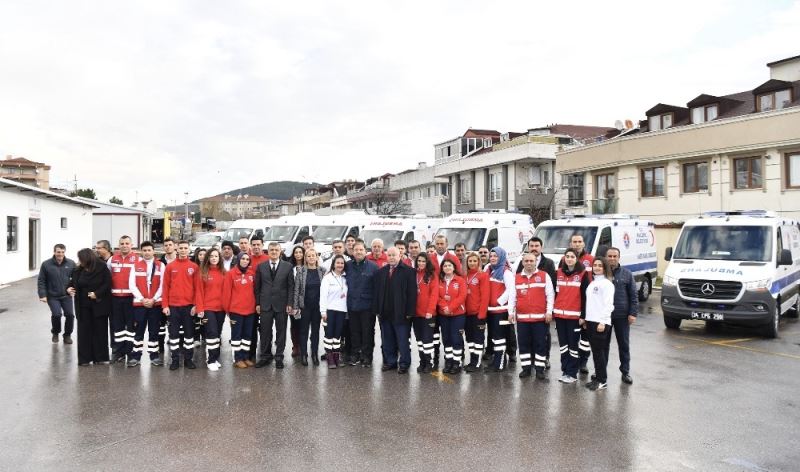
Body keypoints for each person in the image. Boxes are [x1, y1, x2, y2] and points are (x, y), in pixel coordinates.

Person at [515, 237, 558, 369]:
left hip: (541, 310)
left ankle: (545, 359)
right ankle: (530, 362)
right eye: (531, 245)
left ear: (541, 247)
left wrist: (549, 310)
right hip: (525, 312)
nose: (534, 248)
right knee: (526, 339)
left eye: (537, 245)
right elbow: (517, 282)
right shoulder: (521, 263)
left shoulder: (548, 263)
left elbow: (552, 287)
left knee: (543, 338)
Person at [373, 247, 417, 374]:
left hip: (401, 313)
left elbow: (412, 294)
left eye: (394, 255)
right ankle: (391, 362)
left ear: (400, 255)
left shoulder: (409, 272)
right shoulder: (381, 272)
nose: (391, 257)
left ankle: (404, 363)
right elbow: (377, 292)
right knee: (387, 339)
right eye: (389, 255)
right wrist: (377, 309)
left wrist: (410, 312)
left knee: (402, 340)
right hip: (385, 313)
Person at [67, 248, 112, 366]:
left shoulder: (102, 267)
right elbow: (71, 283)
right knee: (83, 333)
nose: (79, 261)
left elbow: (107, 283)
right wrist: (68, 289)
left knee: (100, 331)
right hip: (82, 306)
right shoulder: (78, 270)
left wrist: (97, 293)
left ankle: (101, 358)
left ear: (88, 258)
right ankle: (84, 359)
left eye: (81, 259)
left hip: (98, 304)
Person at [254, 242, 295, 369]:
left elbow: (290, 287)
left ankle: (279, 357)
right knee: (265, 332)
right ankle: (265, 356)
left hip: (281, 304)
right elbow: (257, 287)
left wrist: (289, 303)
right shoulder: (261, 266)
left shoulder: (288, 266)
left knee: (281, 331)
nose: (274, 252)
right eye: (271, 250)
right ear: (268, 251)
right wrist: (258, 303)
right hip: (265, 304)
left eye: (276, 250)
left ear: (280, 251)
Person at [553, 248, 591, 384]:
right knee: (563, 346)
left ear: (576, 259)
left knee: (572, 346)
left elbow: (586, 297)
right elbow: (555, 293)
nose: (569, 259)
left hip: (574, 317)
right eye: (567, 256)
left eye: (572, 257)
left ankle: (572, 373)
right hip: (559, 316)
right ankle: (565, 370)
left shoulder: (583, 274)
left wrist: (583, 315)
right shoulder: (558, 273)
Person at [162, 240, 201, 371]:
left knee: (189, 334)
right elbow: (165, 287)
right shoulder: (170, 266)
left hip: (189, 307)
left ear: (189, 250)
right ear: (177, 250)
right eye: (181, 248)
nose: (183, 250)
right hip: (173, 306)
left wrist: (196, 305)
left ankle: (188, 359)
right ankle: (175, 359)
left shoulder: (194, 267)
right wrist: (165, 305)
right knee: (173, 335)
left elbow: (197, 289)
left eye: (185, 248)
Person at [127, 241, 165, 367]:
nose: (147, 253)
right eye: (144, 250)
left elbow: (163, 285)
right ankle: (135, 357)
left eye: (149, 250)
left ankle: (154, 356)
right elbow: (132, 285)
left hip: (155, 304)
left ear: (153, 251)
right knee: (138, 331)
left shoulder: (160, 265)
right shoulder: (135, 265)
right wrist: (143, 299)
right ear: (141, 252)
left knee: (154, 331)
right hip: (140, 304)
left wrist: (153, 299)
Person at [604, 247, 638, 385]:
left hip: (622, 316)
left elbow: (633, 295)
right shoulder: (601, 273)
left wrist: (632, 313)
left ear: (619, 257)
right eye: (609, 256)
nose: (612, 258)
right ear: (606, 257)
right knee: (603, 345)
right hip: (604, 316)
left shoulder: (627, 274)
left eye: (615, 256)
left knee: (623, 345)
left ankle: (625, 372)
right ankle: (600, 371)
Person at [583, 257, 615, 391]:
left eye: (600, 266)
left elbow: (609, 305)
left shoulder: (607, 284)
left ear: (605, 268)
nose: (596, 267)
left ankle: (602, 381)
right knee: (595, 352)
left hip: (600, 323)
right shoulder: (593, 283)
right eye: (595, 265)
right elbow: (591, 304)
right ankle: (597, 378)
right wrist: (586, 319)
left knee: (599, 352)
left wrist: (602, 321)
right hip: (591, 321)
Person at [346, 240, 379, 367]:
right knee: (354, 332)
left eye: (361, 250)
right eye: (356, 250)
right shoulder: (347, 265)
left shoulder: (373, 267)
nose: (358, 252)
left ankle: (367, 356)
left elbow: (377, 289)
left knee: (367, 332)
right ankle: (355, 354)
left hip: (367, 306)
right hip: (352, 305)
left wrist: (375, 307)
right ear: (352, 252)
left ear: (366, 251)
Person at [108, 235, 140, 364]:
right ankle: (119, 352)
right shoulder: (112, 259)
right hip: (115, 299)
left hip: (131, 299)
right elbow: (108, 276)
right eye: (122, 243)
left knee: (131, 327)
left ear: (131, 245)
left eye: (127, 243)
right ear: (118, 245)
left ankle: (131, 352)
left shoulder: (138, 259)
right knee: (118, 326)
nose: (124, 245)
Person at [223, 253, 257, 369]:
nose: (245, 261)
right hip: (235, 311)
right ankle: (237, 359)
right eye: (243, 258)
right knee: (236, 335)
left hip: (250, 310)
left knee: (247, 335)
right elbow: (226, 293)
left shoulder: (252, 273)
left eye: (247, 259)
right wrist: (228, 311)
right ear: (238, 259)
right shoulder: (231, 274)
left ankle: (245, 357)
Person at [485, 247, 516, 372]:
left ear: (501, 257)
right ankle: (496, 361)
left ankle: (500, 363)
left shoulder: (506, 272)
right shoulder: (488, 270)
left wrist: (498, 301)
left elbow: (511, 290)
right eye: (491, 256)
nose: (492, 258)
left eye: (495, 256)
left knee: (500, 338)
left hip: (501, 311)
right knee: (493, 337)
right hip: (491, 310)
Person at [38, 244, 77, 344]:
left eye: (63, 252)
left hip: (66, 296)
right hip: (52, 296)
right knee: (56, 314)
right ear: (54, 252)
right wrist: (42, 295)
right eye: (58, 252)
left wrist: (72, 288)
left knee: (70, 315)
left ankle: (67, 335)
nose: (60, 254)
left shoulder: (71, 263)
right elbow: (41, 280)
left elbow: (77, 278)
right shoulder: (46, 264)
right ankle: (55, 332)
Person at [293, 248, 326, 366]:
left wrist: (325, 308)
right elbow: (297, 289)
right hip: (305, 306)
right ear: (305, 258)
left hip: (317, 307)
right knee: (303, 331)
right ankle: (303, 355)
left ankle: (314, 354)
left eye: (313, 255)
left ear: (317, 257)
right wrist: (296, 307)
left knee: (316, 332)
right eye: (309, 256)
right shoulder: (301, 271)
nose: (311, 258)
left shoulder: (322, 271)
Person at [196, 248, 226, 371]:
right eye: (211, 256)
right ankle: (211, 360)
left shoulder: (224, 273)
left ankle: (216, 358)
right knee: (211, 333)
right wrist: (200, 308)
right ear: (208, 258)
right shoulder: (202, 272)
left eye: (216, 256)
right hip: (208, 308)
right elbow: (199, 292)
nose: (214, 258)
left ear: (219, 258)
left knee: (217, 334)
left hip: (221, 309)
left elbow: (227, 292)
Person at [569, 234, 594, 373]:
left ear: (584, 243)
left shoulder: (590, 259)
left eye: (579, 241)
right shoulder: (565, 259)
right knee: (573, 335)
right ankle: (573, 360)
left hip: (587, 303)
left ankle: (583, 362)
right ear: (571, 244)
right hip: (572, 303)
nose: (577, 244)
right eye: (574, 242)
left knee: (585, 337)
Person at [437, 259, 467, 374]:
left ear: (454, 267)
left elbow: (462, 296)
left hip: (457, 315)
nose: (447, 267)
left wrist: (451, 308)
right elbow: (438, 297)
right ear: (442, 268)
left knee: (456, 339)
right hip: (444, 315)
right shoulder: (440, 281)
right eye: (445, 266)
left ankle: (457, 363)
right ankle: (448, 362)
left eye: (449, 265)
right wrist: (445, 307)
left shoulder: (460, 280)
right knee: (446, 339)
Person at [463, 252, 489, 373]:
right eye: (470, 261)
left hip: (478, 313)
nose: (472, 263)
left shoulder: (482, 276)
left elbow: (485, 297)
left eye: (474, 261)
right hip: (466, 314)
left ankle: (477, 363)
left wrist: (482, 315)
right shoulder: (465, 275)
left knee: (478, 339)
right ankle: (472, 361)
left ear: (479, 262)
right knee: (470, 339)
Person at [320, 255, 348, 369]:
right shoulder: (327, 278)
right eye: (338, 263)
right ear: (333, 264)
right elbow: (323, 296)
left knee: (337, 334)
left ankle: (336, 354)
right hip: (329, 310)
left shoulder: (345, 278)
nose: (340, 265)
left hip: (342, 310)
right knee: (329, 334)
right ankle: (329, 355)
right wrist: (323, 311)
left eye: (342, 263)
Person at [412, 253, 438, 373]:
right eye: (419, 261)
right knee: (420, 340)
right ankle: (422, 361)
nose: (421, 263)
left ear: (427, 263)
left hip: (428, 314)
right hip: (416, 313)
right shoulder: (414, 274)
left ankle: (429, 363)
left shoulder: (432, 276)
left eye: (423, 261)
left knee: (427, 340)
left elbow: (434, 295)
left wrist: (430, 311)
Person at [247, 237, 270, 361]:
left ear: (262, 245)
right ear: (251, 246)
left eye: (258, 244)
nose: (256, 247)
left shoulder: (267, 259)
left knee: (266, 328)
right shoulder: (247, 259)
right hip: (250, 300)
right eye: (254, 244)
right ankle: (251, 353)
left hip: (265, 299)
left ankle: (266, 352)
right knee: (252, 327)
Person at [288, 245, 306, 358]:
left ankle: (303, 346)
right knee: (294, 325)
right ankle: (296, 346)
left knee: (303, 325)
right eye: (296, 252)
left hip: (304, 301)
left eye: (300, 252)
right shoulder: (290, 267)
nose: (298, 254)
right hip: (293, 301)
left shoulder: (307, 267)